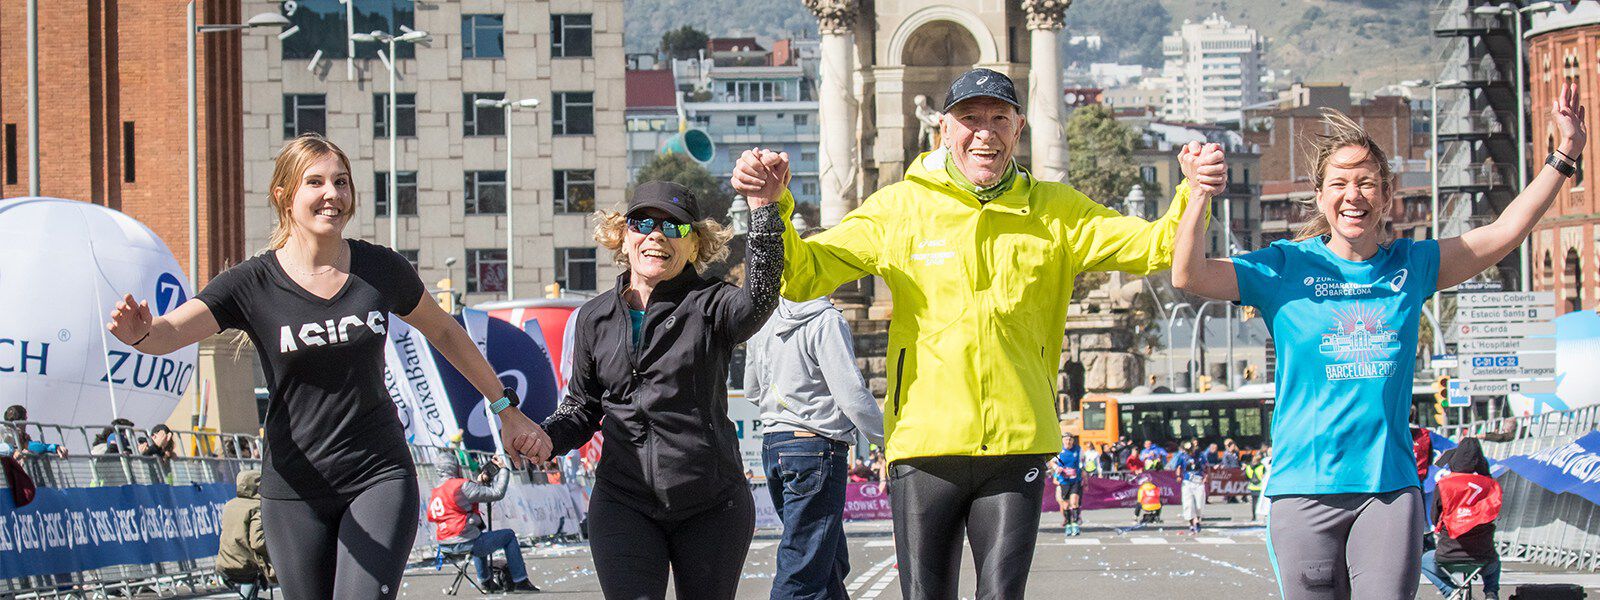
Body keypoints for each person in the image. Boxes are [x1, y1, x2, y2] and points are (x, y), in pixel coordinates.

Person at [732, 67, 1226, 599]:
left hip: (1016, 444)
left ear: (1018, 130)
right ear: (944, 129)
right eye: (970, 119)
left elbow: (1156, 246)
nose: (984, 132)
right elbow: (806, 272)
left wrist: (1193, 192)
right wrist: (774, 207)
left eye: (999, 119)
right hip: (925, 444)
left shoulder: (1056, 211)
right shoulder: (902, 208)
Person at [1169, 83, 1586, 599]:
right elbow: (1188, 275)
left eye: (1367, 183)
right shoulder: (1284, 266)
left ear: (1387, 195)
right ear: (1320, 196)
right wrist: (1197, 195)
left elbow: (1504, 232)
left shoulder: (1412, 267)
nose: (1353, 196)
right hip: (1303, 490)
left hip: (1388, 491)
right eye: (1339, 183)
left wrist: (1565, 155)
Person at [105, 134, 547, 599]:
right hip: (294, 487)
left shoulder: (380, 269)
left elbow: (445, 332)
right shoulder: (251, 283)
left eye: (341, 181)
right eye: (314, 182)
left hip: (378, 475)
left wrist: (505, 408)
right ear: (284, 195)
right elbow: (170, 332)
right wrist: (141, 333)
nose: (332, 194)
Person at [538, 179, 782, 600]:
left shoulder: (712, 303)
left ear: (694, 245)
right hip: (623, 501)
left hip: (711, 503)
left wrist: (762, 212)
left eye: (674, 228)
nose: (656, 235)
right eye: (643, 223)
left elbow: (758, 301)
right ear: (623, 235)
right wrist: (545, 437)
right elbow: (582, 406)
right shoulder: (593, 317)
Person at [744, 234, 886, 600]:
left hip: (776, 444)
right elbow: (851, 394)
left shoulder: (766, 319)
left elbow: (751, 390)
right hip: (816, 448)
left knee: (828, 560)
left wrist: (786, 406)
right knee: (804, 565)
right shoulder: (825, 320)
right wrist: (889, 437)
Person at [428, 453, 539, 592]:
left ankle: (486, 582)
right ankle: (521, 581)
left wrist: (479, 483)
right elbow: (497, 493)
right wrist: (504, 469)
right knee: (508, 535)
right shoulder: (460, 485)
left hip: (444, 546)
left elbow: (462, 498)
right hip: (466, 542)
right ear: (455, 467)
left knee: (477, 533)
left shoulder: (436, 491)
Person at [1421, 438, 1503, 600]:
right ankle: (1491, 592)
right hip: (1483, 557)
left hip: (1448, 555)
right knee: (1495, 562)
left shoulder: (1444, 484)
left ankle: (1450, 591)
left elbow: (1434, 517)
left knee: (1424, 561)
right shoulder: (1491, 485)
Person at [216, 469, 272, 600]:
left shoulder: (229, 505)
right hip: (247, 566)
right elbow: (257, 541)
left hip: (224, 564)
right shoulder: (258, 506)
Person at [1049, 435, 1085, 535]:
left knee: (1074, 502)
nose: (1068, 441)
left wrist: (1084, 472)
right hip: (1064, 481)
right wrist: (1057, 468)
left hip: (1075, 480)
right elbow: (1051, 462)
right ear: (1063, 441)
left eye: (1070, 439)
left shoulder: (1078, 449)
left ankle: (1075, 524)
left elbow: (1083, 462)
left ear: (1073, 441)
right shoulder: (1060, 450)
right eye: (1066, 439)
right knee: (1065, 504)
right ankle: (1068, 524)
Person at [2, 405, 67, 459]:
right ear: (21, 421)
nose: (26, 423)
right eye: (25, 419)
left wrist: (54, 447)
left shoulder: (22, 437)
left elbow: (32, 446)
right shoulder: (5, 433)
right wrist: (13, 452)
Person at [1173, 441, 1208, 534]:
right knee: (1188, 504)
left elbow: (1206, 467)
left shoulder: (1200, 455)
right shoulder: (1182, 456)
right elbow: (1178, 467)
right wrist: (1178, 476)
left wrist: (1206, 477)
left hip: (1198, 481)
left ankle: (1197, 519)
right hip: (1187, 482)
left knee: (1199, 504)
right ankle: (1193, 522)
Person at [1244, 453, 1268, 522]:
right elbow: (1264, 476)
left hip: (1252, 486)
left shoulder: (1248, 467)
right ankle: (1262, 516)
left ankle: (1254, 517)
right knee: (1261, 502)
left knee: (1254, 503)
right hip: (1260, 486)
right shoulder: (1262, 467)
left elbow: (1246, 477)